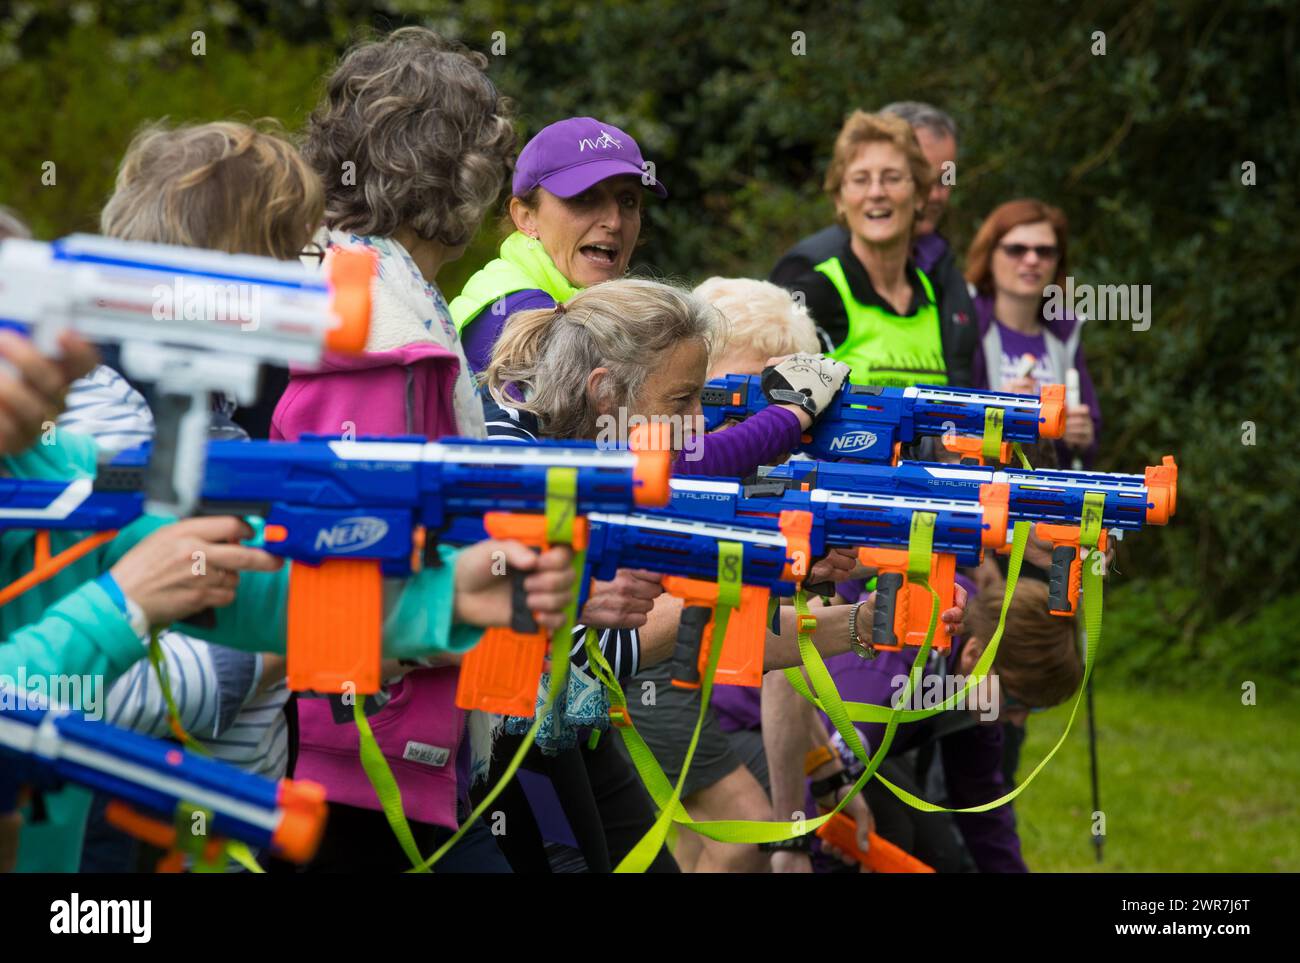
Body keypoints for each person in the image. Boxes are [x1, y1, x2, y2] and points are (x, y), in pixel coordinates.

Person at [480, 278, 966, 872]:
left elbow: (675, 634)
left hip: (557, 729)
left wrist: (858, 622)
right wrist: (785, 433)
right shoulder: (511, 445)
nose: (698, 422)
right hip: (482, 746)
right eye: (683, 401)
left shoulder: (601, 467)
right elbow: (643, 632)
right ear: (605, 394)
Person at [770, 102, 976, 386]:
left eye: (892, 178)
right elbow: (771, 412)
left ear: (919, 195)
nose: (877, 192)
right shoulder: (812, 294)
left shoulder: (936, 292)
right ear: (840, 198)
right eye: (860, 180)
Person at [450, 115, 667, 373]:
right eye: (585, 198)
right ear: (526, 217)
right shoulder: (524, 315)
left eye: (628, 201)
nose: (614, 222)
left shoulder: (513, 287)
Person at [964, 198, 1101, 467]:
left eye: (1045, 251)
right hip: (982, 495)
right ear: (989, 254)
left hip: (1049, 496)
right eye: (1016, 249)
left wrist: (1081, 435)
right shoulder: (964, 324)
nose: (1032, 260)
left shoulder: (1064, 333)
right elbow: (942, 421)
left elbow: (1090, 437)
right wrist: (996, 410)